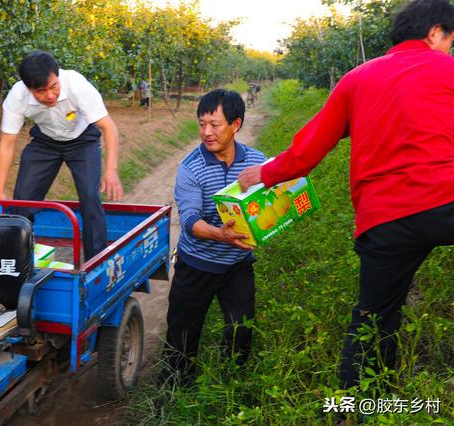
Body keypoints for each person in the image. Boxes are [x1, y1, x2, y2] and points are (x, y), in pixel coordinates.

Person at [238, 0, 454, 390]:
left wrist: (264, 173)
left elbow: (308, 151)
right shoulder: (448, 69)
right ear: (435, 33)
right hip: (447, 200)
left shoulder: (356, 79)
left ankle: (356, 407)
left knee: (374, 317)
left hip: (385, 219)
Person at [159, 89, 267, 386]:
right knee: (182, 333)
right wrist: (221, 234)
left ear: (236, 124)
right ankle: (173, 391)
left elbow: (271, 202)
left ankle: (231, 386)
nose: (206, 132)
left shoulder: (257, 163)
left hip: (237, 264)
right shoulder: (191, 167)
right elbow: (191, 219)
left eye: (215, 124)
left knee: (241, 330)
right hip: (197, 264)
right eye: (201, 124)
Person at [0, 50, 123, 260]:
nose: (50, 95)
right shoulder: (17, 96)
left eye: (54, 86)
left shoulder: (76, 84)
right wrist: (0, 191)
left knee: (90, 198)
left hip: (83, 141)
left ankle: (96, 261)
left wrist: (111, 170)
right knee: (22, 202)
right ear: (28, 89)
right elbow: (7, 143)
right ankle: (17, 259)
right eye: (41, 91)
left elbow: (108, 127)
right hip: (45, 143)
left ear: (58, 76)